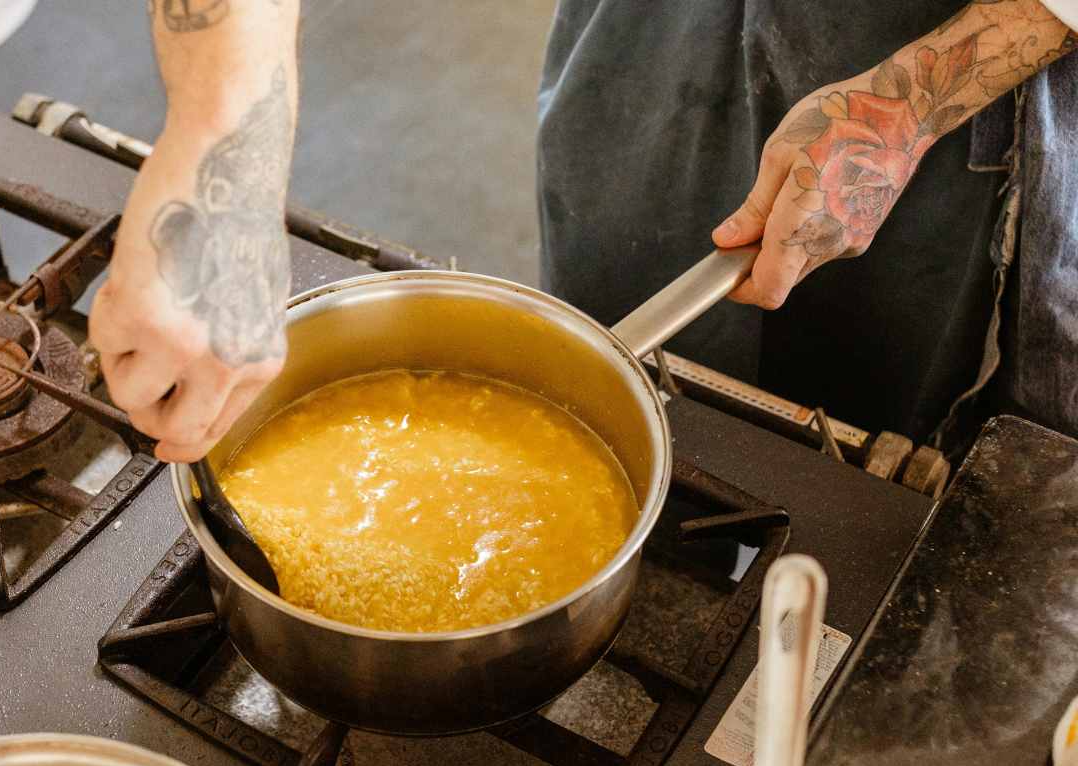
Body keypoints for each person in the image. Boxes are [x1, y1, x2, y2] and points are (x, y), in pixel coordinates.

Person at [91, 0, 1078, 464]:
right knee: (604, 375)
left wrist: (903, 106)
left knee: (887, 467)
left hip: (964, 75)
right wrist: (224, 155)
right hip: (650, 29)